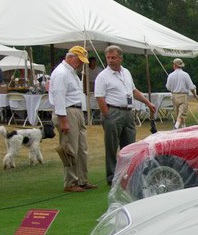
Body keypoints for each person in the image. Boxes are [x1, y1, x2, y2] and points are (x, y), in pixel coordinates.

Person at [94, 45, 158, 185]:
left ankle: (129, 173)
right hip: (113, 111)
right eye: (108, 58)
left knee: (129, 145)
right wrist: (107, 115)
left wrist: (147, 103)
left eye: (113, 58)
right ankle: (111, 177)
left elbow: (133, 91)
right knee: (111, 146)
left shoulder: (126, 72)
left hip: (128, 111)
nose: (110, 60)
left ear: (120, 58)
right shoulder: (103, 76)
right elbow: (100, 98)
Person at [48, 46, 96, 192]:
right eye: (79, 60)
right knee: (70, 148)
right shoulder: (61, 73)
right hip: (67, 112)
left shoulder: (71, 72)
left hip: (76, 110)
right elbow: (59, 97)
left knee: (82, 148)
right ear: (71, 57)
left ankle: (82, 179)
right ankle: (70, 182)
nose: (81, 64)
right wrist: (63, 119)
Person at [165, 58, 197, 129]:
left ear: (175, 65)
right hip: (183, 96)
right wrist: (194, 94)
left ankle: (183, 128)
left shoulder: (170, 75)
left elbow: (168, 87)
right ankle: (176, 126)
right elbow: (191, 87)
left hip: (174, 96)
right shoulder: (185, 75)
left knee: (178, 113)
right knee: (182, 113)